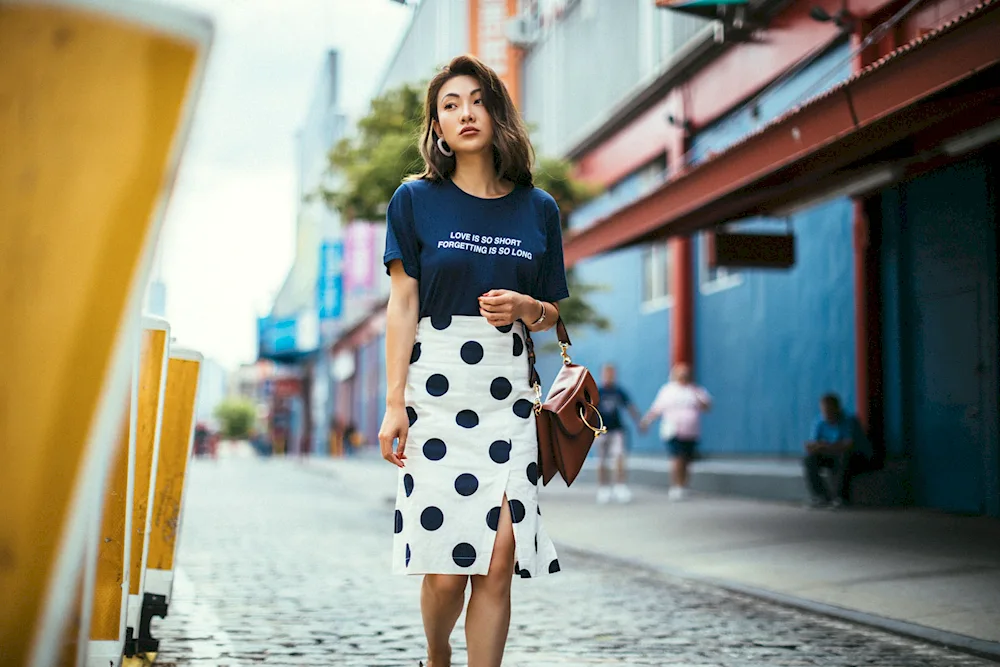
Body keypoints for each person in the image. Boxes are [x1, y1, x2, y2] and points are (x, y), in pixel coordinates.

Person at [378, 55, 569, 667]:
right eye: (450, 105)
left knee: (498, 561)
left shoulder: (538, 209)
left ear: (497, 112)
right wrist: (393, 403)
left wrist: (525, 305)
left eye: (476, 100)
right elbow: (401, 304)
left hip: (506, 395)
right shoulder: (414, 200)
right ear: (437, 124)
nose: (465, 114)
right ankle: (437, 656)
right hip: (434, 392)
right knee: (444, 573)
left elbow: (552, 316)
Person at [639, 363, 711, 501]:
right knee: (677, 457)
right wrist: (646, 421)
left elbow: (707, 405)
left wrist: (697, 396)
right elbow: (656, 408)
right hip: (673, 430)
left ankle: (684, 485)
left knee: (687, 459)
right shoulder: (668, 390)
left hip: (691, 431)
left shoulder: (695, 390)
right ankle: (676, 486)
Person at [803, 393, 870, 508]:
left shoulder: (849, 420)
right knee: (810, 460)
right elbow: (813, 445)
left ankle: (841, 498)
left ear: (837, 409)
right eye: (824, 411)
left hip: (857, 458)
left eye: (829, 411)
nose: (826, 415)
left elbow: (848, 445)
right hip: (832, 455)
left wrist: (826, 446)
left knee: (845, 457)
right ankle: (821, 496)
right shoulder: (819, 422)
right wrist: (815, 447)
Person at [595, 364, 642, 504]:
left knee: (619, 458)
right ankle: (603, 488)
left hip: (617, 430)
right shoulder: (598, 391)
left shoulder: (619, 391)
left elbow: (630, 407)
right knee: (602, 460)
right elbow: (588, 411)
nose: (609, 376)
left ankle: (620, 486)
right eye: (606, 373)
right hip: (601, 430)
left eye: (611, 373)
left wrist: (639, 422)